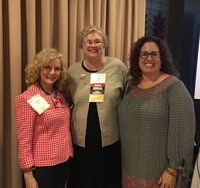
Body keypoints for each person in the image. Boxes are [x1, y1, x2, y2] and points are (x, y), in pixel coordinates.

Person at [118, 35, 196, 188]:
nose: (149, 58)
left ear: (162, 58)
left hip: (161, 174)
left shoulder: (175, 88)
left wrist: (172, 170)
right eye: (144, 54)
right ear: (137, 58)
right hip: (130, 167)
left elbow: (183, 131)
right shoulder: (131, 85)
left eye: (154, 54)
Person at [65, 25, 128, 188]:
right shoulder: (72, 71)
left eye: (97, 41)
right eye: (88, 41)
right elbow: (66, 99)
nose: (93, 45)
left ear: (104, 44)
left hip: (111, 139)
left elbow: (127, 97)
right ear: (82, 45)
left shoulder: (117, 67)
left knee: (108, 181)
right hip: (81, 141)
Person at [14, 48, 73, 188]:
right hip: (42, 166)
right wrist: (28, 174)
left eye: (57, 68)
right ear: (38, 69)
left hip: (64, 160)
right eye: (47, 67)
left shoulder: (61, 96)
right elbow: (24, 139)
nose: (52, 72)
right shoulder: (26, 98)